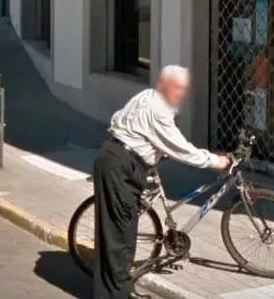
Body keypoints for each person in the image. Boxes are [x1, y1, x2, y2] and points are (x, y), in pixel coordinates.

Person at [93, 65, 231, 299]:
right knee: (119, 239)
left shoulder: (146, 96)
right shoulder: (158, 110)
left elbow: (117, 118)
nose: (182, 94)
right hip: (122, 166)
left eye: (184, 89)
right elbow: (182, 149)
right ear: (164, 84)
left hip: (115, 157)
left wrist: (145, 143)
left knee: (117, 234)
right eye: (178, 88)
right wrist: (215, 161)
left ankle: (113, 292)